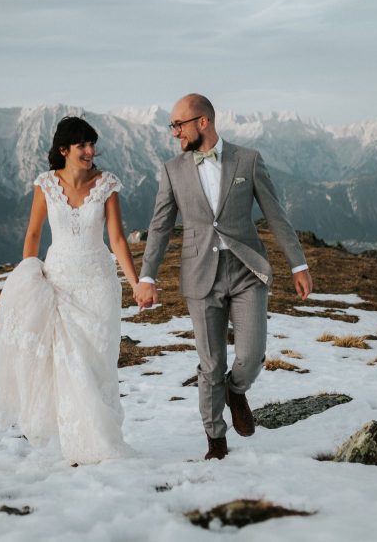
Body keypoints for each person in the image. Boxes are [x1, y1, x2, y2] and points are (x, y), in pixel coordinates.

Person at [133, 94, 313, 460]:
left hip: (247, 270)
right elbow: (160, 226)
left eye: (178, 125)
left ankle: (236, 390)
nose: (174, 134)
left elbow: (275, 214)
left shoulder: (248, 159)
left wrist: (298, 264)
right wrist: (147, 275)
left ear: (203, 122)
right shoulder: (172, 170)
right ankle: (215, 437)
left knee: (252, 354)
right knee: (211, 362)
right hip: (201, 276)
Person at [0, 116, 137, 465]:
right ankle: (77, 446)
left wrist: (136, 283)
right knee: (69, 366)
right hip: (59, 284)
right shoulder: (45, 185)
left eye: (92, 145)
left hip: (99, 285)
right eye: (82, 146)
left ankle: (103, 438)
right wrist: (28, 276)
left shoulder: (107, 185)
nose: (90, 152)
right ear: (64, 150)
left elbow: (117, 239)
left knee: (98, 365)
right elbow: (33, 234)